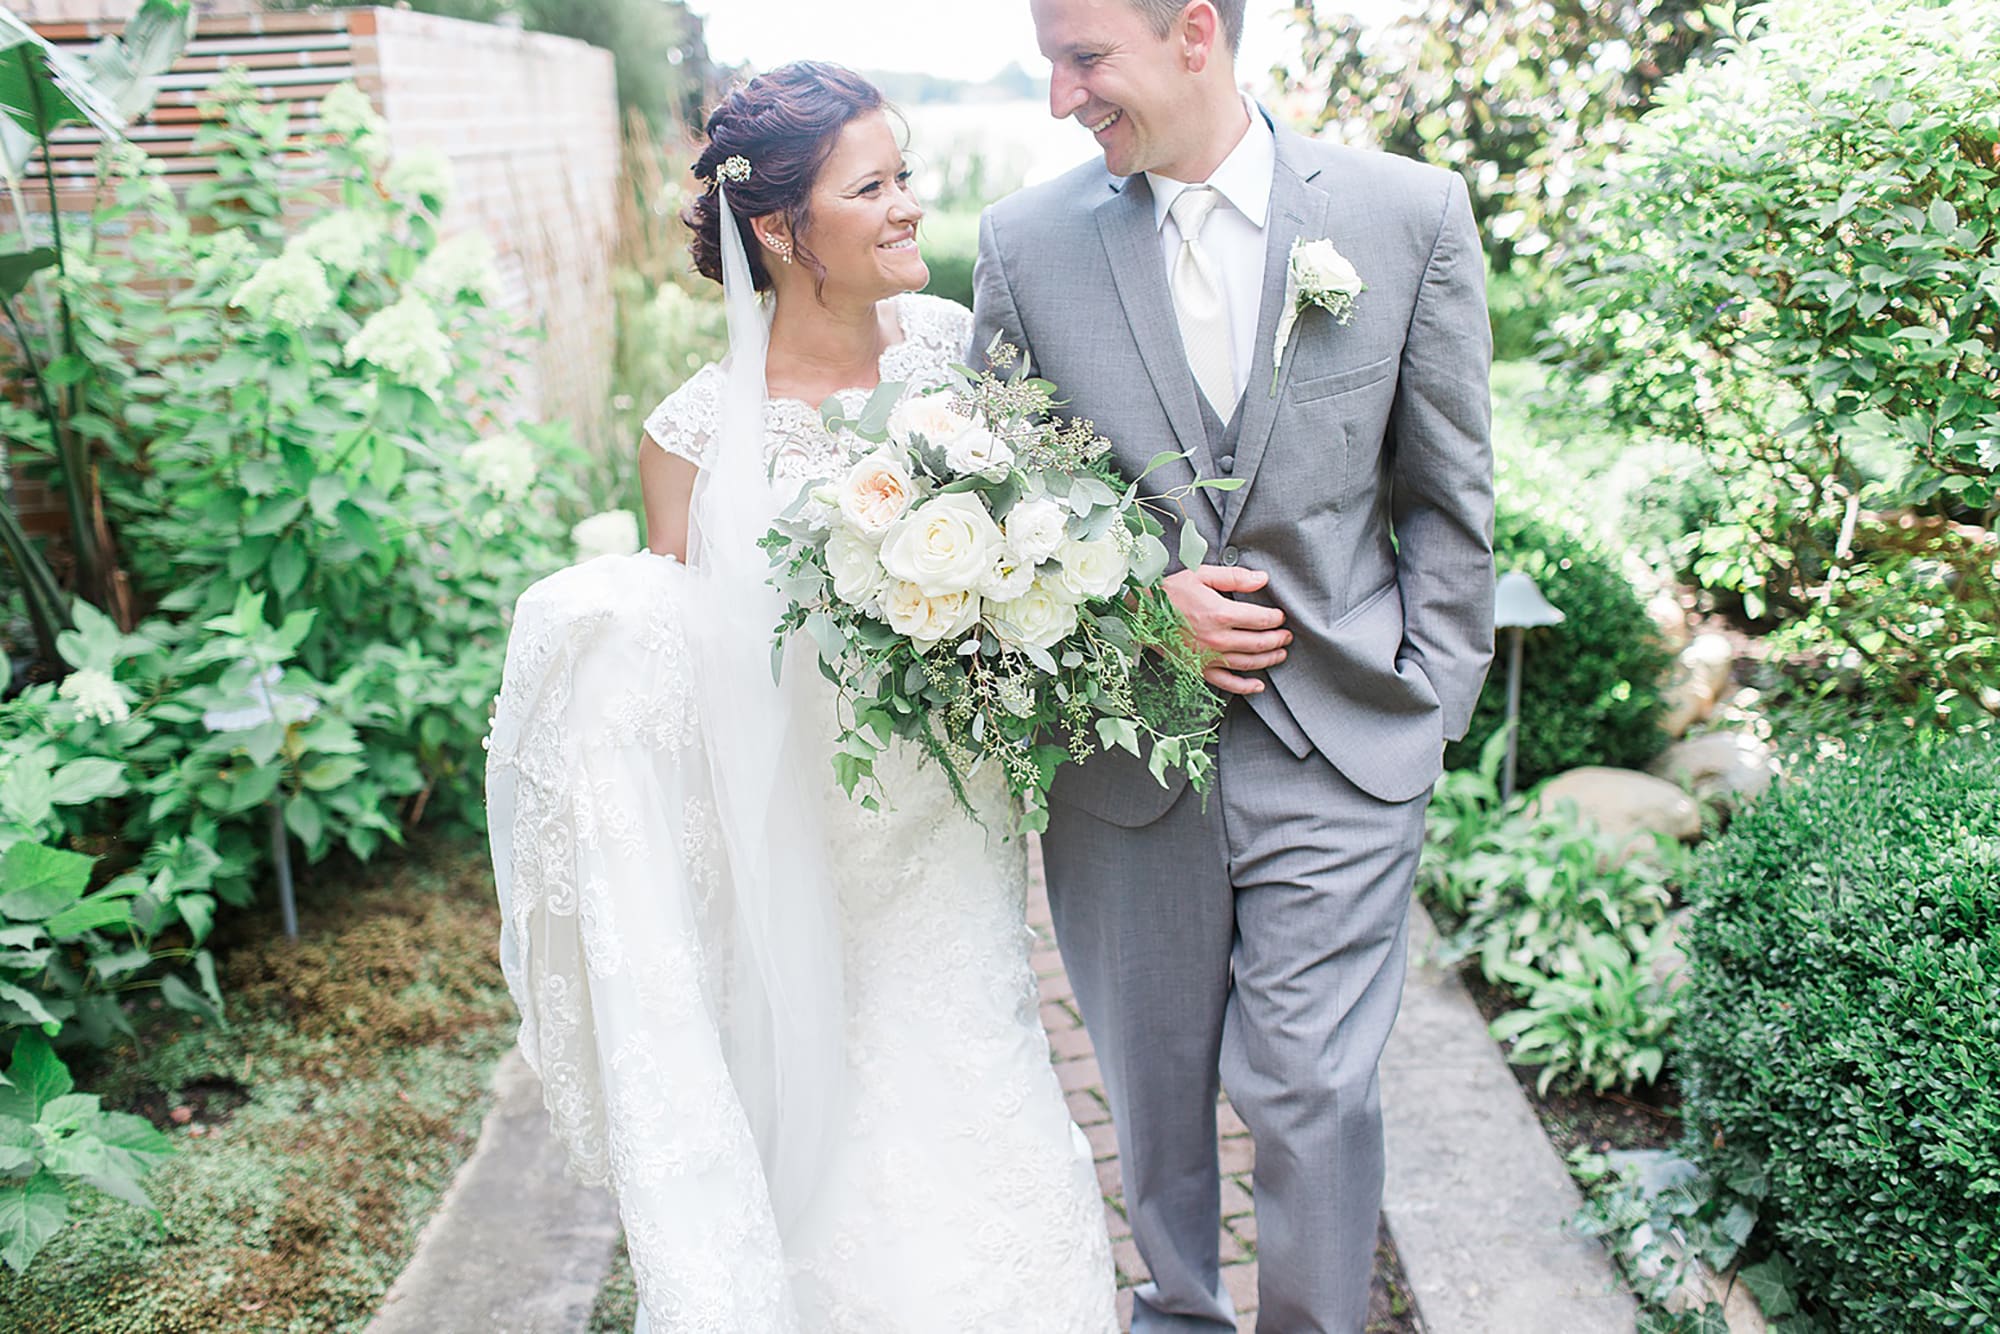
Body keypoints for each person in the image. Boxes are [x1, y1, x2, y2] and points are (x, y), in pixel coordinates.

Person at [486, 62, 1116, 1333]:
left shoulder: (953, 346)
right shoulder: (693, 437)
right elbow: (682, 670)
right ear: (778, 231)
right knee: (840, 1115)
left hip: (956, 823)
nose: (906, 208)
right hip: (813, 848)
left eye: (906, 177)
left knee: (987, 1068)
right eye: (871, 186)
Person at [971, 0, 1497, 1329]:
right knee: (1149, 1090)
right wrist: (1146, 608)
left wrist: (1431, 709)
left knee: (1310, 1087)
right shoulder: (1026, 247)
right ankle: (1181, 1313)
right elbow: (991, 522)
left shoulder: (1404, 217)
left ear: (1195, 32)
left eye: (1084, 59)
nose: (1059, 97)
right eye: (1047, 61)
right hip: (1122, 768)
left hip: (1345, 747)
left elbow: (1449, 501)